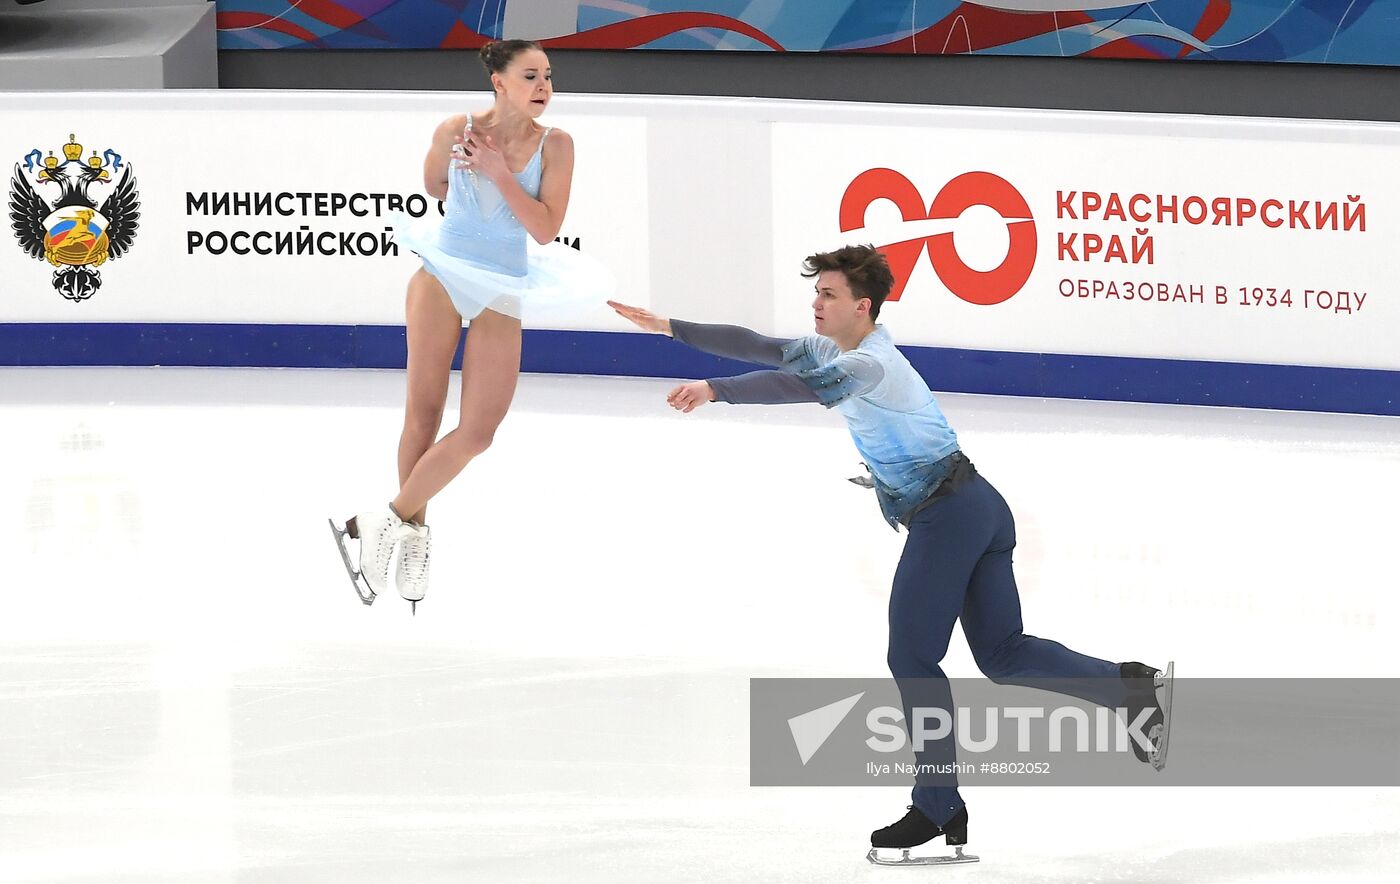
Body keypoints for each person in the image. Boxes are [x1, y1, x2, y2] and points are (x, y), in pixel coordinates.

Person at [608, 245, 1170, 865]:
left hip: (950, 517)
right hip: (979, 505)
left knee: (912, 654)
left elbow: (787, 384)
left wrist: (714, 389)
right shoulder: (835, 348)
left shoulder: (868, 365)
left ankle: (937, 805)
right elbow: (758, 344)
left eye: (827, 295)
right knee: (1004, 654)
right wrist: (669, 328)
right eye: (816, 293)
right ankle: (1128, 687)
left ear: (862, 306)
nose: (815, 304)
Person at [330, 39, 612, 613]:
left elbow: (544, 229)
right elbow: (435, 185)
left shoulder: (556, 145)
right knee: (424, 414)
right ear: (499, 81)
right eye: (530, 75)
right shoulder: (454, 127)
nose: (543, 87)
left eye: (548, 77)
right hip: (443, 271)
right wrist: (471, 170)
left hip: (502, 283)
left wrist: (497, 171)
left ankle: (378, 520)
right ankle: (413, 535)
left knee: (479, 431)